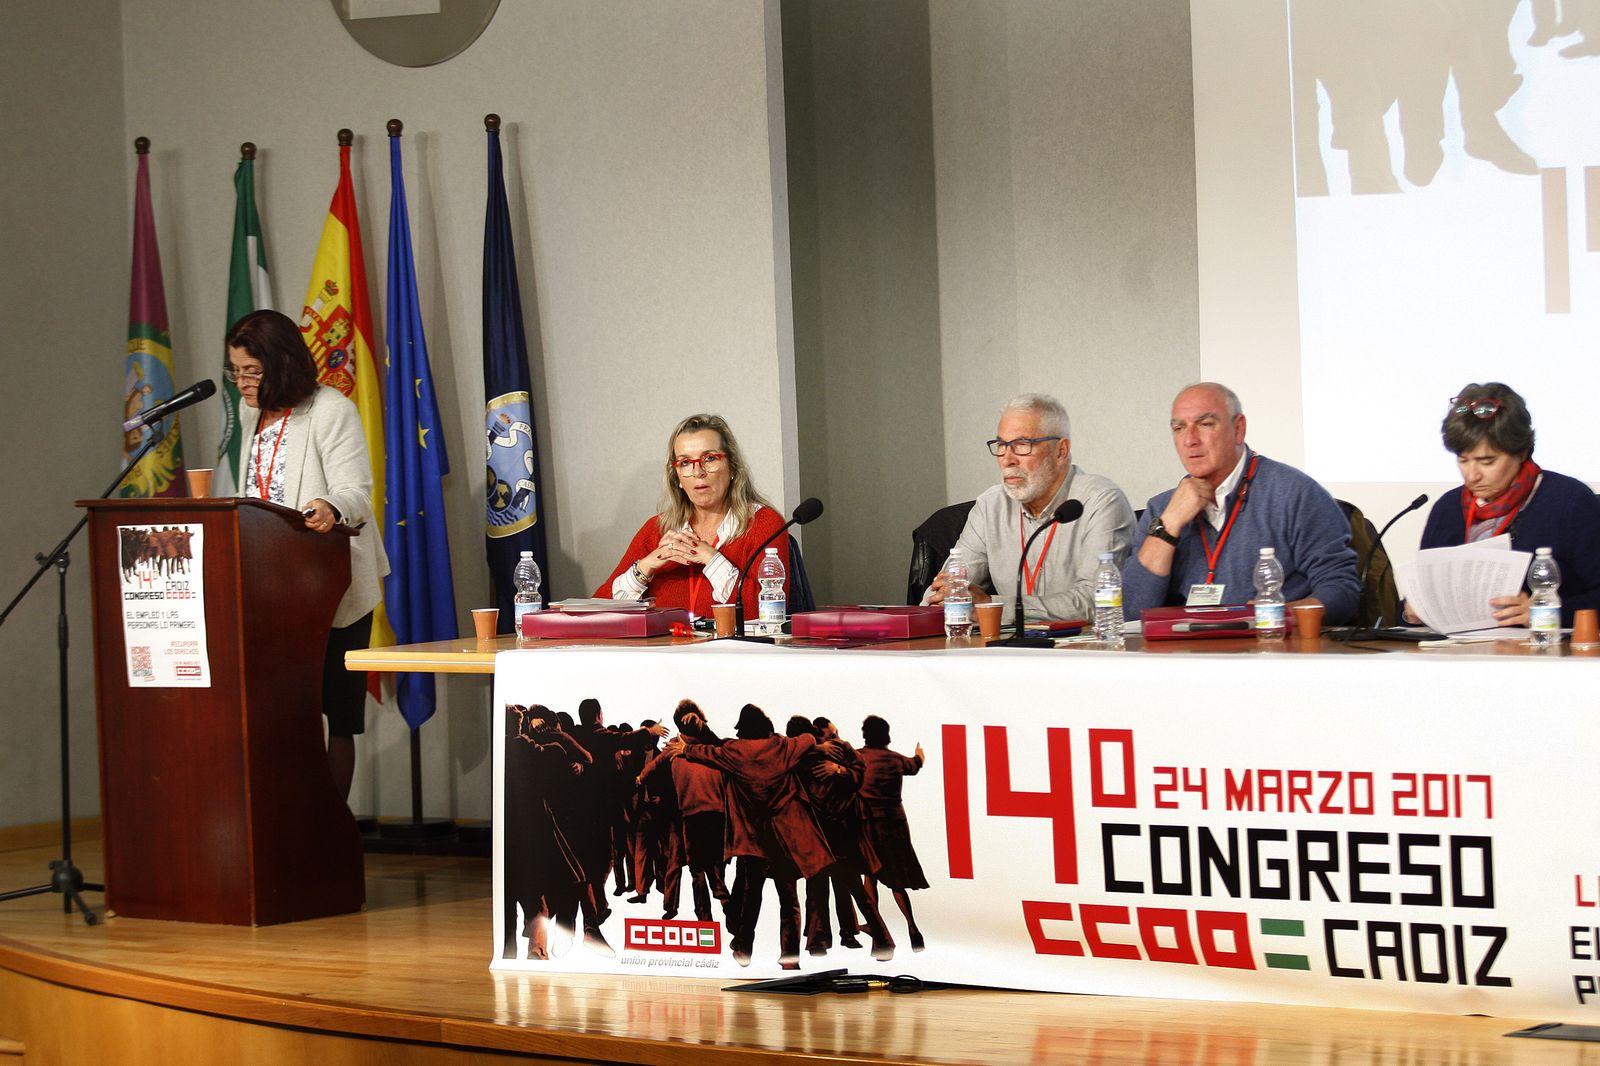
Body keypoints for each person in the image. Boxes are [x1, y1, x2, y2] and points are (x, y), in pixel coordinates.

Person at [224, 309, 390, 801]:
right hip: (271, 591)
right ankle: (291, 822)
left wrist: (330, 506)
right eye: (236, 371)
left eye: (252, 370)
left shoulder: (328, 409)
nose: (243, 383)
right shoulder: (252, 416)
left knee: (338, 715)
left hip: (331, 586)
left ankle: (331, 828)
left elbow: (356, 490)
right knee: (283, 714)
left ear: (282, 362)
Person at [1123, 382, 1360, 623]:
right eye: (1179, 428)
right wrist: (1169, 524)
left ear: (1238, 429)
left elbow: (1342, 592)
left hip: (1271, 651)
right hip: (1187, 655)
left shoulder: (1295, 493)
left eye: (1205, 424)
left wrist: (1274, 616)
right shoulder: (1162, 508)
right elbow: (1129, 613)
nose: (1190, 440)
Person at [924, 394, 1135, 624]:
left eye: (1022, 445)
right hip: (1007, 653)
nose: (1007, 459)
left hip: (1083, 653)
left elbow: (1096, 601)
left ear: (1060, 451)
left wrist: (992, 607)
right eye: (1002, 445)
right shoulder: (990, 506)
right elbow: (940, 594)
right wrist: (946, 597)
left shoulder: (1100, 501)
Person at [1413, 383, 1600, 626]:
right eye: (1463, 460)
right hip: (1458, 654)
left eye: (1487, 461)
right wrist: (1411, 613)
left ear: (1521, 452)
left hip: (1542, 654)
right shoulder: (1447, 508)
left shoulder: (1569, 501)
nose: (1472, 475)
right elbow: (1416, 599)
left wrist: (1545, 613)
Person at [595, 414, 788, 618]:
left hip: (732, 649)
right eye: (685, 462)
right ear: (676, 476)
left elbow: (769, 613)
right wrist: (645, 567)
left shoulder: (763, 523)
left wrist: (712, 560)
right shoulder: (656, 529)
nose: (697, 472)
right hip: (665, 649)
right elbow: (599, 610)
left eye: (710, 459)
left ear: (732, 467)